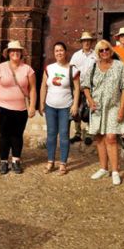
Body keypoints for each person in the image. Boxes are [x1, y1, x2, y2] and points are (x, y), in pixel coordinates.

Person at [82, 40, 124, 185]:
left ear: (111, 50)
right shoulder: (93, 67)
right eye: (101, 50)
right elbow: (85, 85)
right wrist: (90, 100)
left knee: (111, 137)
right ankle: (103, 168)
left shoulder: (119, 66)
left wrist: (122, 109)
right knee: (99, 137)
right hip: (97, 107)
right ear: (97, 52)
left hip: (114, 106)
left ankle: (115, 170)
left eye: (106, 49)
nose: (104, 52)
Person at [0, 40, 36, 175]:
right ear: (8, 53)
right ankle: (4, 161)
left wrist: (32, 106)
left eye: (18, 51)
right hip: (3, 108)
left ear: (21, 53)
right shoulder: (0, 68)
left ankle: (16, 160)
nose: (15, 53)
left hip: (21, 109)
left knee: (17, 136)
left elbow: (33, 89)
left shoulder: (28, 69)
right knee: (4, 136)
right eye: (12, 51)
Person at [39, 42, 80, 175]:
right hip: (51, 106)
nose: (59, 53)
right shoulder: (49, 68)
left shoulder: (72, 69)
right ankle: (50, 161)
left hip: (65, 107)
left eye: (61, 50)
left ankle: (63, 163)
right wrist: (41, 103)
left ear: (65, 52)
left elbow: (77, 89)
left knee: (63, 135)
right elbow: (43, 86)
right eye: (56, 51)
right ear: (54, 53)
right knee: (51, 135)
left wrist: (74, 105)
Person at [69, 31, 97, 144]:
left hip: (92, 86)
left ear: (91, 42)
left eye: (88, 41)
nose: (86, 43)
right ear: (82, 42)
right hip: (78, 86)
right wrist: (76, 85)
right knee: (76, 109)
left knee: (91, 108)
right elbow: (72, 70)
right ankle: (78, 133)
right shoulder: (76, 55)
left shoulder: (95, 55)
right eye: (84, 41)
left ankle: (90, 132)